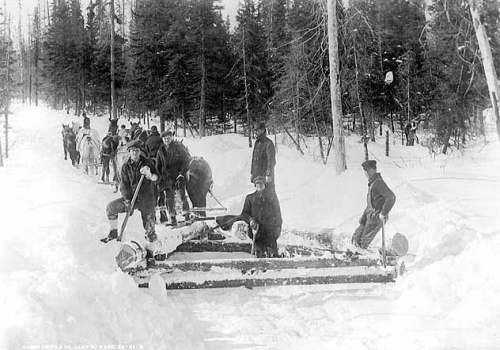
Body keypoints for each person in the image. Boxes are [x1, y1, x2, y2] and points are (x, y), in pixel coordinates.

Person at [101, 140, 160, 243]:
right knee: (111, 207)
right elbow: (124, 186)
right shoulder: (125, 167)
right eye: (132, 151)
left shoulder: (147, 163)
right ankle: (113, 233)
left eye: (137, 151)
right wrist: (127, 201)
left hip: (147, 200)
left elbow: (158, 179)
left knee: (150, 227)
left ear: (140, 151)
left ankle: (151, 252)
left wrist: (149, 174)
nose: (134, 153)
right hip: (132, 199)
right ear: (129, 152)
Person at [351, 160, 396, 251]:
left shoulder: (378, 183)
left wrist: (383, 213)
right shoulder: (372, 183)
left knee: (363, 243)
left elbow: (391, 197)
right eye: (365, 171)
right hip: (370, 216)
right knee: (356, 237)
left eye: (367, 171)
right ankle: (354, 254)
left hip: (376, 218)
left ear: (373, 170)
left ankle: (362, 259)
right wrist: (363, 218)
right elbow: (371, 203)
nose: (366, 174)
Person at [240, 176, 282, 258]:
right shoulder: (250, 198)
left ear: (264, 185)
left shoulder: (272, 197)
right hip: (257, 232)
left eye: (261, 184)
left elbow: (277, 214)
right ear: (255, 185)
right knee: (259, 255)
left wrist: (278, 228)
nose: (259, 185)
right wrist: (250, 220)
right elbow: (244, 214)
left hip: (270, 232)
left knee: (274, 256)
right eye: (257, 184)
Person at [155, 130, 190, 225]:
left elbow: (186, 161)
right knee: (169, 198)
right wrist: (160, 177)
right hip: (166, 178)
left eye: (168, 138)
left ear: (171, 138)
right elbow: (158, 165)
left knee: (181, 196)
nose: (166, 140)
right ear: (162, 139)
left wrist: (181, 173)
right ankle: (172, 217)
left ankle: (187, 216)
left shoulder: (178, 148)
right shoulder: (160, 150)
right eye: (164, 138)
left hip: (178, 176)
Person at [251, 122, 276, 192]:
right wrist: (252, 172)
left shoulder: (268, 143)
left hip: (265, 176)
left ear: (263, 130)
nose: (256, 132)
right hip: (257, 176)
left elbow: (271, 161)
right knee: (259, 198)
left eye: (257, 130)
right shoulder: (257, 143)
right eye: (255, 130)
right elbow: (254, 159)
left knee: (269, 196)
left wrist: (268, 174)